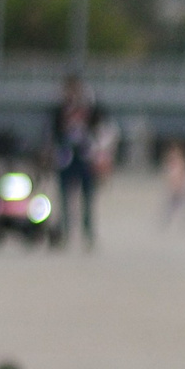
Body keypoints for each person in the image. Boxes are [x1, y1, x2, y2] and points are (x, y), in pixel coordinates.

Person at [49, 76, 106, 250]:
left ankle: (88, 232)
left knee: (87, 196)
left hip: (84, 156)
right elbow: (53, 132)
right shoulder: (59, 111)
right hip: (65, 157)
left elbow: (100, 130)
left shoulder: (90, 110)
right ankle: (66, 232)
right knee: (65, 196)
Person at [159, 142, 185, 231]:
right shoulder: (172, 164)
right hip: (175, 185)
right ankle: (167, 221)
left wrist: (181, 185)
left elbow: (184, 174)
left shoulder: (181, 163)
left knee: (183, 205)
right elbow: (170, 175)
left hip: (181, 186)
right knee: (172, 205)